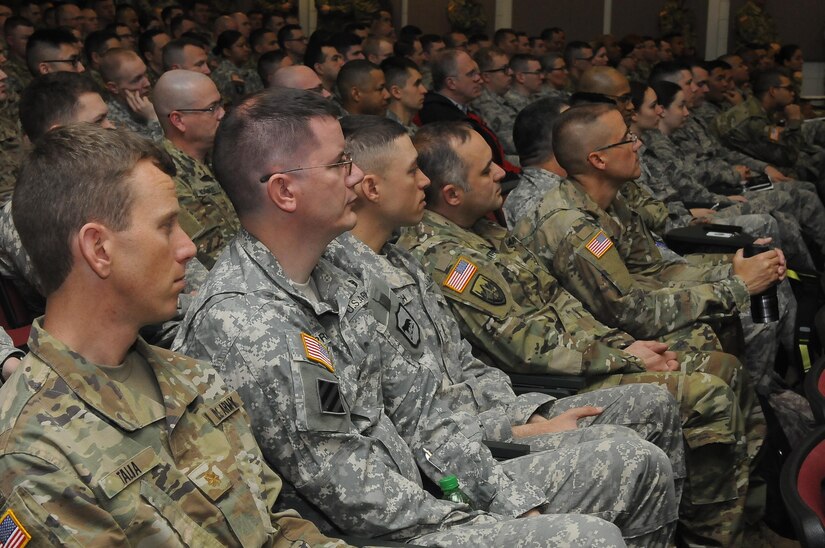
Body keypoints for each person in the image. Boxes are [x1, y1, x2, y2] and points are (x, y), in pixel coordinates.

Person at [173, 87, 663, 547]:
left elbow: (421, 413)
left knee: (633, 461)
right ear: (284, 192)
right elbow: (351, 487)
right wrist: (484, 519)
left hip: (426, 489)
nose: (354, 178)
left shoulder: (341, 266)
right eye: (340, 163)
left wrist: (501, 498)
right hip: (374, 532)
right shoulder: (248, 321)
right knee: (590, 538)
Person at [396, 118, 764, 547]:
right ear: (453, 194)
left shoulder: (485, 229)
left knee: (719, 361)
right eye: (486, 169)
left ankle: (731, 517)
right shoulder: (446, 259)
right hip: (549, 384)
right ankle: (711, 535)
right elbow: (527, 351)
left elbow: (562, 303)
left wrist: (623, 344)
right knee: (707, 394)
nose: (502, 171)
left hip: (586, 358)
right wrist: (628, 357)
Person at [0, 123, 347, 546]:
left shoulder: (191, 378)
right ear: (99, 249)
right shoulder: (32, 453)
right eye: (166, 226)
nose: (187, 248)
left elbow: (275, 528)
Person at [153, 70, 240, 269]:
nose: (222, 114)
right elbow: (209, 256)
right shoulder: (167, 176)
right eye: (212, 108)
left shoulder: (218, 154)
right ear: (179, 120)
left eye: (220, 104)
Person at [99, 48, 162, 141]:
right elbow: (159, 152)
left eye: (146, 74)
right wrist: (153, 117)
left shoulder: (152, 97)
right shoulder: (110, 122)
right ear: (113, 87)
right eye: (137, 79)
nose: (147, 83)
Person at [472, 47, 519, 160]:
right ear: (486, 76)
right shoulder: (484, 104)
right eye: (504, 69)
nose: (511, 73)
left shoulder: (506, 96)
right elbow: (513, 144)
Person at [211, 30, 262, 105]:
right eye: (241, 46)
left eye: (246, 45)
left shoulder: (248, 69)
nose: (246, 49)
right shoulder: (223, 74)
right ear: (227, 52)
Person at [381, 56, 425, 135]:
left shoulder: (417, 131)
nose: (424, 90)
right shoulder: (386, 134)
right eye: (417, 84)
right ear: (396, 92)